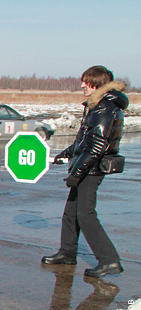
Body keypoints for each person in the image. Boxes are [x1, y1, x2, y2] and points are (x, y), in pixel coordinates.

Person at [42, 66, 128, 278]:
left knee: (85, 214)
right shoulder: (97, 106)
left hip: (92, 169)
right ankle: (67, 252)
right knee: (71, 211)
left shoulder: (105, 108)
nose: (82, 85)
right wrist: (66, 153)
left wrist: (76, 174)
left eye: (86, 82)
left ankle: (109, 260)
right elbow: (83, 141)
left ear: (97, 84)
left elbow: (97, 146)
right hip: (86, 167)